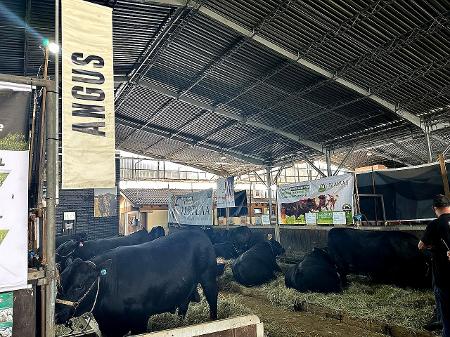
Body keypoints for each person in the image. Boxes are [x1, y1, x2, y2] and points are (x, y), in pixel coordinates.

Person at [418, 194, 450, 337]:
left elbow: (420, 246)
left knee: (446, 309)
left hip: (443, 274)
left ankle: (444, 327)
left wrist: (433, 246)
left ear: (434, 209)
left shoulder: (435, 224)